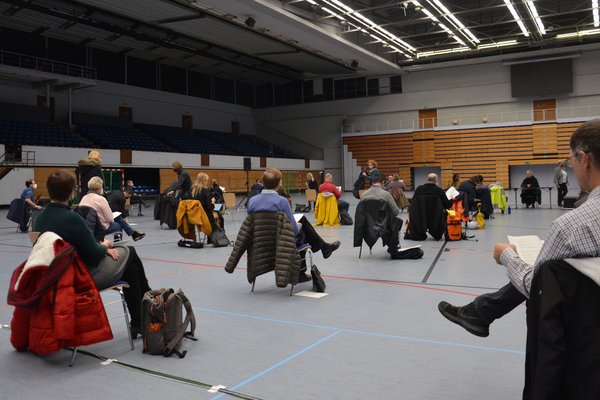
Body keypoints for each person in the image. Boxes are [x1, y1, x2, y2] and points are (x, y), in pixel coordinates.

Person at [438, 118, 600, 337]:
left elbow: (537, 286)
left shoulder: (571, 226)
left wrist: (507, 256)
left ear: (584, 159)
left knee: (540, 271)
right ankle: (479, 312)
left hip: (580, 331)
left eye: (572, 162)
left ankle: (479, 312)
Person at [34, 170, 152, 338]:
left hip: (54, 277)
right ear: (71, 192)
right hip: (81, 277)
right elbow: (95, 254)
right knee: (130, 252)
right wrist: (105, 245)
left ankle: (139, 323)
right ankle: (148, 298)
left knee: (130, 269)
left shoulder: (40, 218)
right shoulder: (71, 219)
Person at [248, 168, 341, 260]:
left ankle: (324, 248)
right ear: (278, 184)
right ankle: (304, 270)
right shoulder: (282, 201)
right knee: (302, 231)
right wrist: (299, 225)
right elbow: (294, 229)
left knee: (301, 219)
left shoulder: (252, 201)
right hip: (279, 239)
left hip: (260, 239)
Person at [79, 177, 146, 242]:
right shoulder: (101, 199)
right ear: (100, 187)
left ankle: (133, 234)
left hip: (85, 226)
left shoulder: (84, 198)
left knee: (118, 218)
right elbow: (110, 218)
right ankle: (119, 242)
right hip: (99, 227)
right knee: (118, 224)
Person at [357, 173, 406, 259]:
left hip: (368, 225)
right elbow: (396, 212)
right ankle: (393, 245)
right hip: (383, 225)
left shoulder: (364, 195)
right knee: (398, 221)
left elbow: (361, 212)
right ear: (383, 182)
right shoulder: (386, 194)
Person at [405, 173, 454, 241]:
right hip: (435, 218)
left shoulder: (419, 189)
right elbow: (447, 205)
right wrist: (452, 199)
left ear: (427, 179)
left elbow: (413, 203)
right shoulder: (439, 190)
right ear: (435, 180)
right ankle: (436, 232)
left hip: (420, 217)